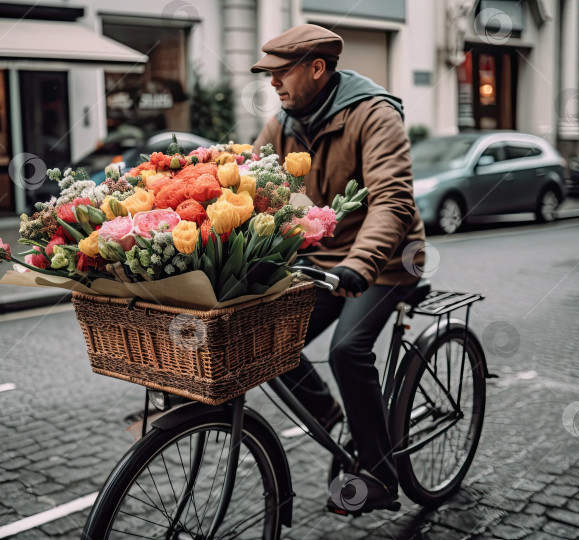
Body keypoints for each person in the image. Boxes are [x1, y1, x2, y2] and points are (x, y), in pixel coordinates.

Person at [251, 24, 427, 513]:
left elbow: (392, 200)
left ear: (317, 69)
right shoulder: (283, 124)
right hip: (320, 260)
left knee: (349, 350)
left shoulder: (374, 114)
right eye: (269, 74)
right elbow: (248, 188)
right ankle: (329, 415)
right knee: (265, 343)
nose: (273, 84)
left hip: (386, 261)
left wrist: (360, 263)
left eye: (281, 73)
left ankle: (379, 473)